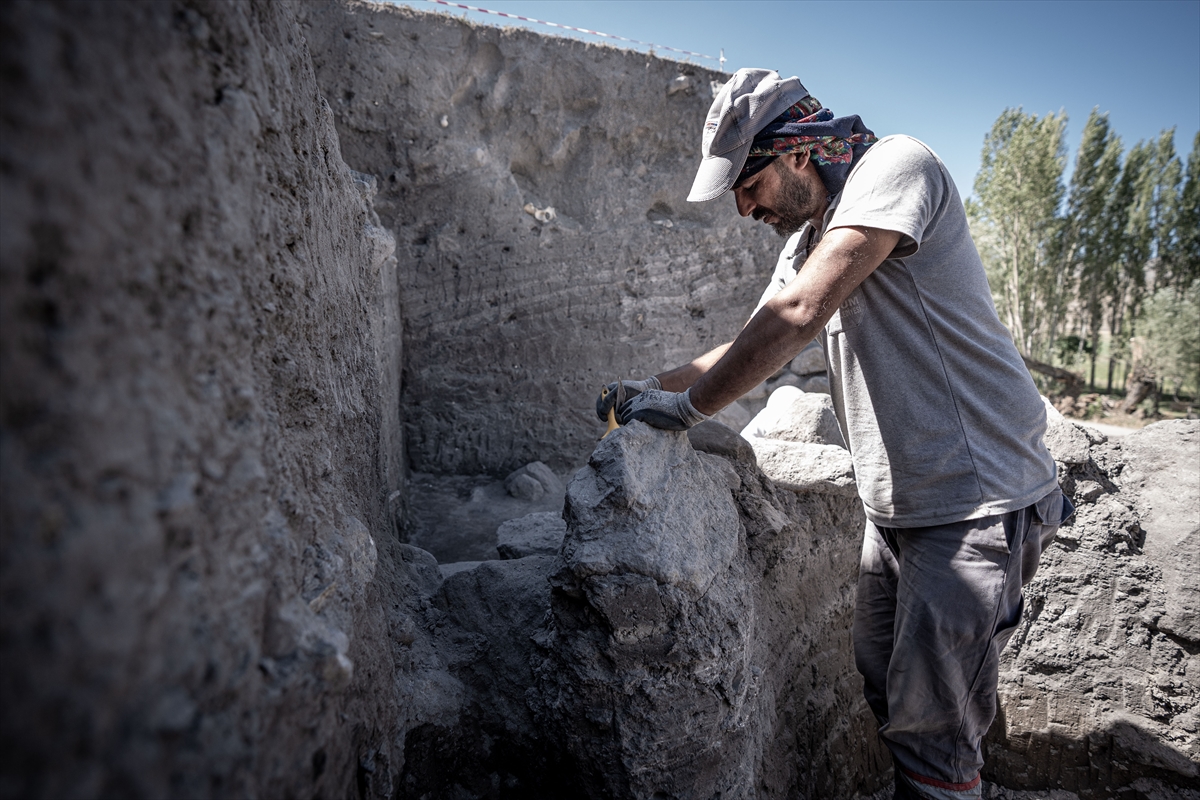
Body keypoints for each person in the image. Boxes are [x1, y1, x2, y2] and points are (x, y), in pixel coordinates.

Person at [595, 68, 1073, 799]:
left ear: (796, 153)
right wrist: (646, 393)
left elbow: (800, 315)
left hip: (977, 498)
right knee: (888, 690)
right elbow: (750, 337)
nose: (743, 208)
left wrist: (689, 413)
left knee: (936, 728)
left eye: (747, 185)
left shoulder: (894, 167)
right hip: (899, 509)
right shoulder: (809, 238)